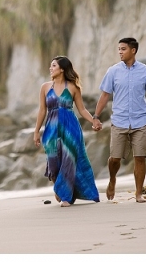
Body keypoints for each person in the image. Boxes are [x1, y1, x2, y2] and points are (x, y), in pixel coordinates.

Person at [91, 37, 146, 203]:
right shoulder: (113, 71)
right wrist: (96, 117)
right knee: (115, 158)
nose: (120, 52)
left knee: (140, 157)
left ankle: (138, 193)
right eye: (119, 49)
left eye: (123, 49)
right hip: (119, 121)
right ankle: (112, 180)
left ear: (133, 50)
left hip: (140, 121)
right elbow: (105, 95)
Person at [33, 55, 100, 207]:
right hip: (51, 128)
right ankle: (61, 188)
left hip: (70, 128)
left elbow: (81, 109)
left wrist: (93, 120)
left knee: (69, 161)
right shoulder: (45, 87)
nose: (50, 68)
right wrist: (36, 131)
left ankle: (66, 197)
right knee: (53, 161)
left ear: (62, 69)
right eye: (51, 65)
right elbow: (42, 111)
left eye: (54, 65)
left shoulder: (72, 87)